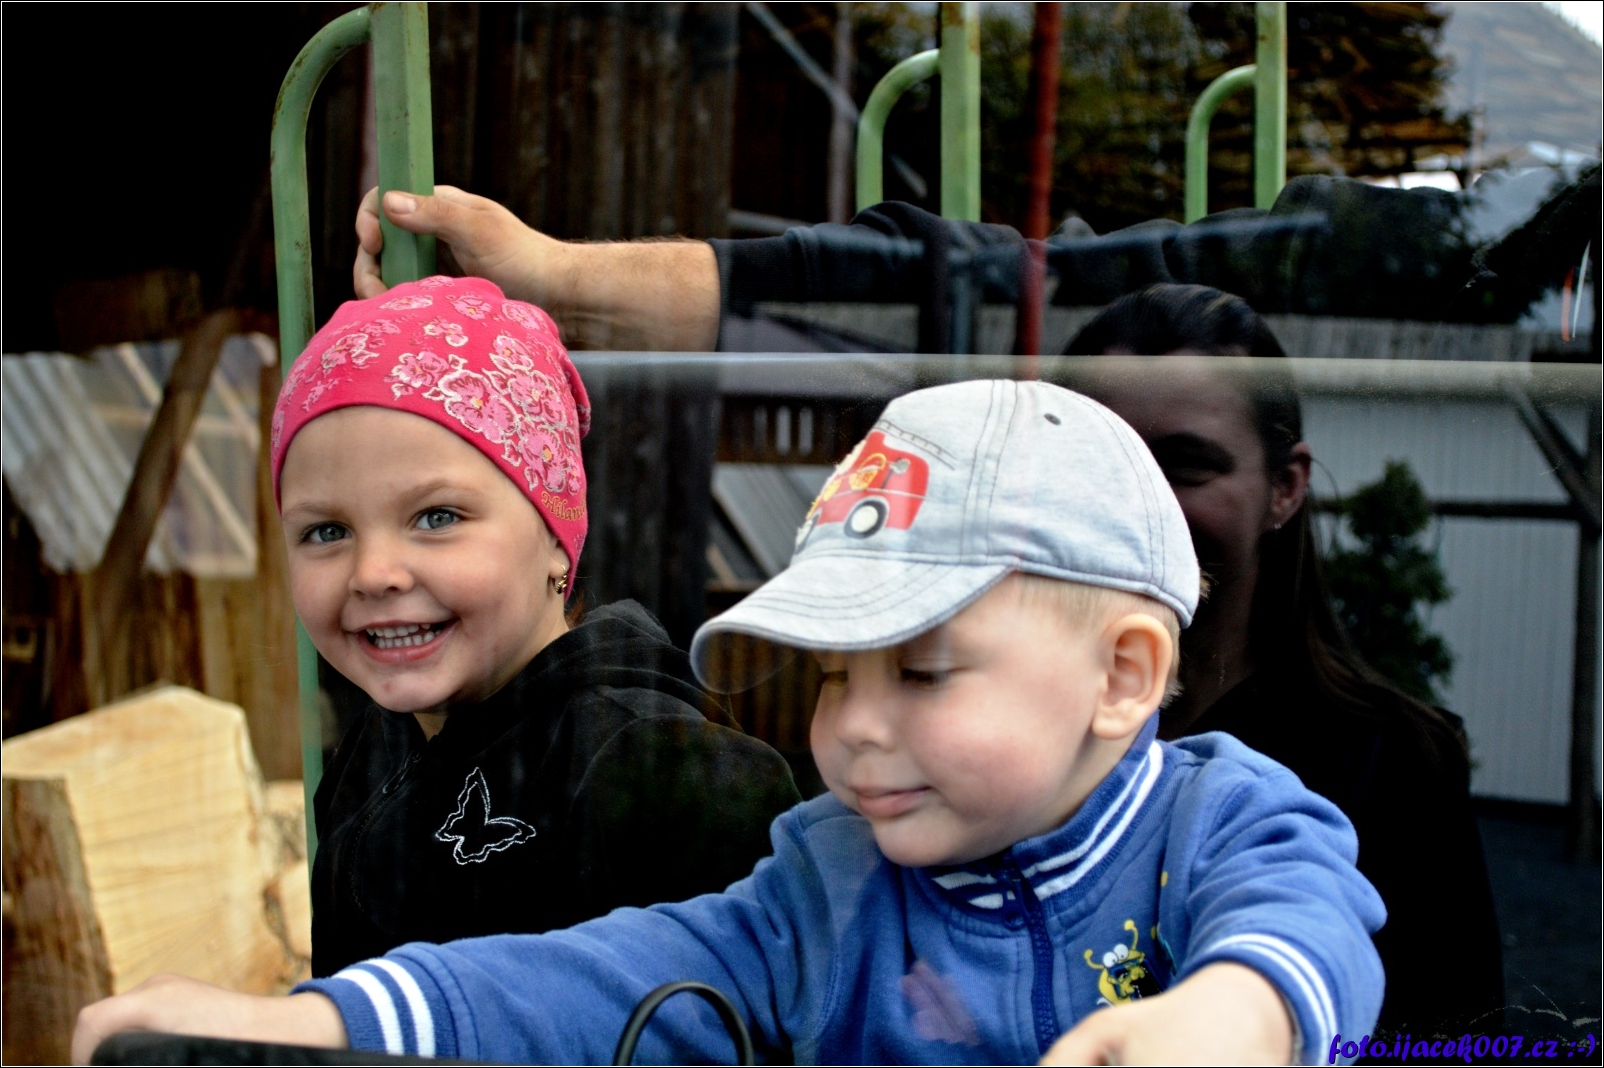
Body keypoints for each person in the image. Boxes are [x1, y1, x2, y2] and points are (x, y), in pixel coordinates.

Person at [74, 380, 1386, 1066]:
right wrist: (315, 1025)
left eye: (920, 672)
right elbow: (582, 983)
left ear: (1122, 675)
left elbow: (1307, 925)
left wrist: (1239, 1013)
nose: (853, 730)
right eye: (833, 677)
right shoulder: (824, 888)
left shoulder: (1217, 822)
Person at [265, 275, 799, 976]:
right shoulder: (375, 750)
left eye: (437, 517)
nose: (373, 572)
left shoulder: (665, 773)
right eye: (327, 530)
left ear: (555, 534)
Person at [1062, 283, 1504, 1038]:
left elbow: (1454, 1040)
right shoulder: (1001, 730)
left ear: (1285, 488)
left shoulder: (1391, 764)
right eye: (1098, 464)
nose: (1137, 506)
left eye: (1184, 468)